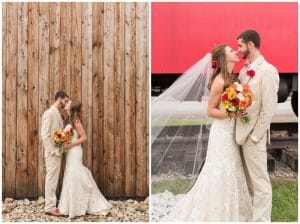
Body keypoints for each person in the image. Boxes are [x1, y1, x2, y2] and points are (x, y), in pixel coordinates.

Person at [159, 45, 253, 221]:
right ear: (225, 58)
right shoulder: (219, 81)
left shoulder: (232, 77)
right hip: (222, 133)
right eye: (231, 51)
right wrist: (232, 113)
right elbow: (210, 111)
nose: (235, 52)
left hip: (230, 131)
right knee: (221, 169)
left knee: (231, 168)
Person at [236, 29, 279, 221]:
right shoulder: (245, 71)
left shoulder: (268, 71)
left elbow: (268, 109)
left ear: (250, 44)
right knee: (250, 183)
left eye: (240, 45)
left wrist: (255, 136)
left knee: (260, 184)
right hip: (241, 135)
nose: (238, 50)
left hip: (253, 137)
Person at [58, 100, 112, 218]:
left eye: (68, 103)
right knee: (70, 174)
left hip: (75, 151)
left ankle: (86, 204)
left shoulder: (76, 121)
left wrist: (71, 145)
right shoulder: (69, 120)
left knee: (75, 173)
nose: (66, 104)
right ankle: (72, 205)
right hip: (70, 151)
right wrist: (63, 140)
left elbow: (84, 137)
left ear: (71, 107)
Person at [41, 91, 69, 216]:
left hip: (58, 151)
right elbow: (45, 135)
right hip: (52, 153)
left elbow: (57, 134)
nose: (66, 103)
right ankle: (50, 207)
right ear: (59, 99)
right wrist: (52, 151)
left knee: (53, 179)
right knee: (51, 180)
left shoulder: (58, 114)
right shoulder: (49, 113)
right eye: (65, 100)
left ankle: (52, 205)